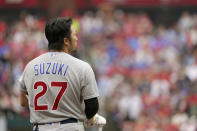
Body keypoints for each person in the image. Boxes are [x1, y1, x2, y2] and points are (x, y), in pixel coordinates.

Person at [19, 17, 106, 131]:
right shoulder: (82, 66)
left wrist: (47, 109)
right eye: (74, 34)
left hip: (40, 127)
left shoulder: (30, 66)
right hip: (70, 127)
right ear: (66, 41)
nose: (77, 38)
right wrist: (89, 118)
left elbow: (23, 101)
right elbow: (92, 107)